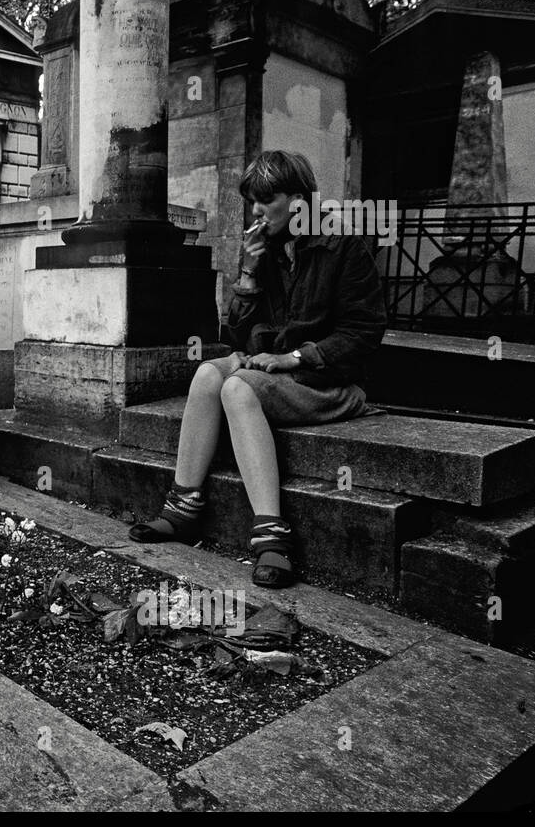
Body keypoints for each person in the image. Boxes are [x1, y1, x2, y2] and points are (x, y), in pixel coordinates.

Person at [128, 151, 387, 587]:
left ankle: (272, 536)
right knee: (210, 373)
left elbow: (363, 333)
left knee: (238, 389)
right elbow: (235, 337)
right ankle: (183, 508)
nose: (256, 211)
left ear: (300, 200)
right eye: (252, 201)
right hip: (273, 371)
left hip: (327, 380)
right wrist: (247, 276)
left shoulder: (343, 248)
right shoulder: (264, 252)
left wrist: (294, 357)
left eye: (266, 200)